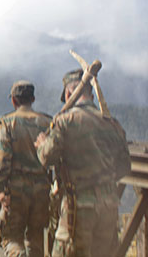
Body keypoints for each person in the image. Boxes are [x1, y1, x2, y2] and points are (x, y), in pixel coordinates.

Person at [35, 69, 131, 257]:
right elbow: (125, 166)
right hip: (109, 207)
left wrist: (41, 144)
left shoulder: (65, 122)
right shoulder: (111, 123)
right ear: (92, 94)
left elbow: (47, 158)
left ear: (69, 94)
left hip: (77, 209)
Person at [0, 80, 52, 257]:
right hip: (42, 191)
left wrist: (2, 189)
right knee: (36, 240)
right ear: (33, 99)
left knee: (12, 239)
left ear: (13, 101)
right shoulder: (48, 122)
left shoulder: (7, 123)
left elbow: (2, 161)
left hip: (16, 192)